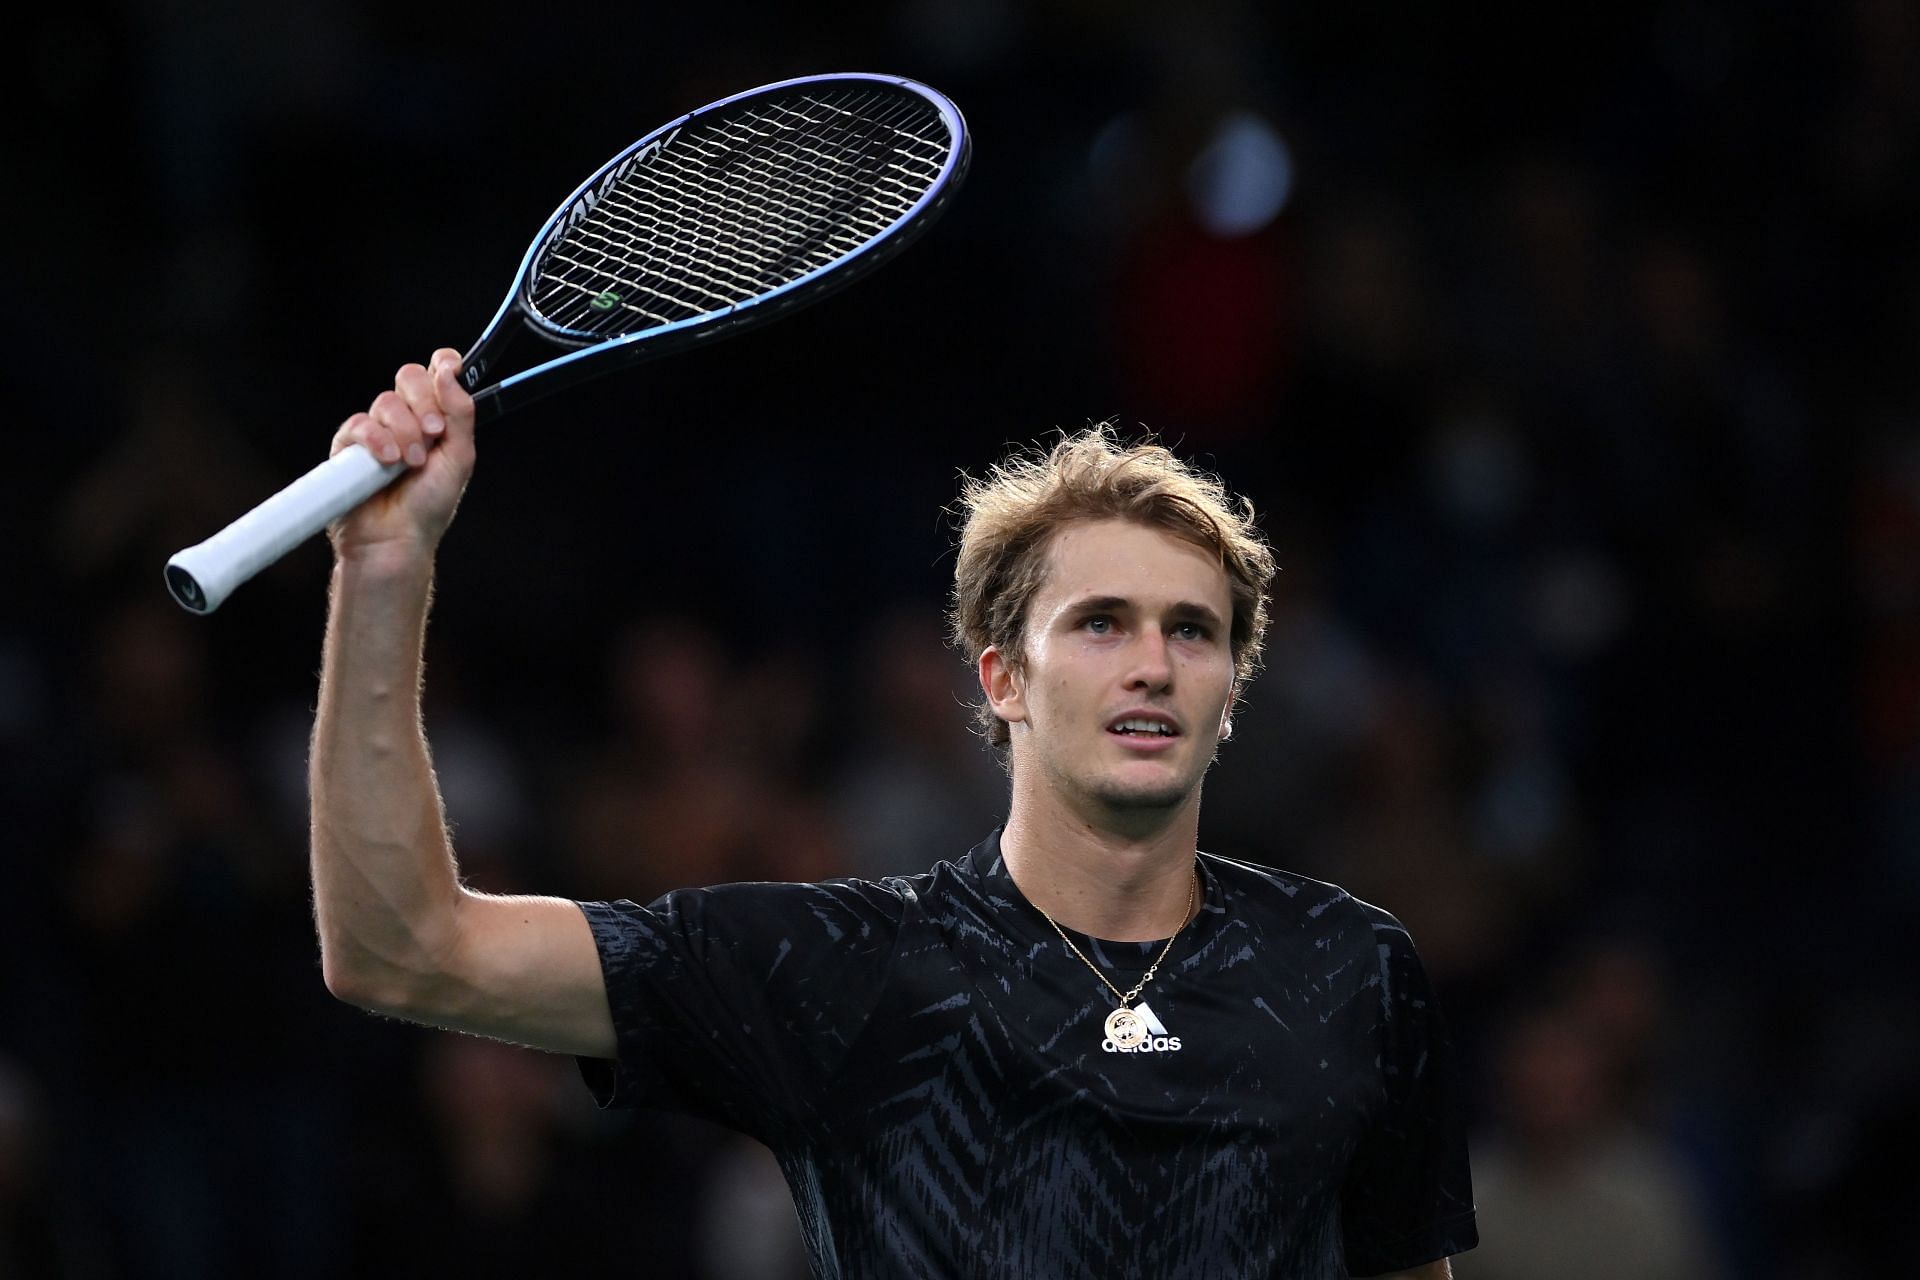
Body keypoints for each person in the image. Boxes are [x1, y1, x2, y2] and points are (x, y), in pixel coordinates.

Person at [312, 349, 1478, 1278]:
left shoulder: (1353, 967)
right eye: (1100, 622)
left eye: (1193, 630)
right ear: (1002, 679)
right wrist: (384, 570)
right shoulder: (845, 967)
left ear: (1230, 693)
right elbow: (401, 946)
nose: (1154, 664)